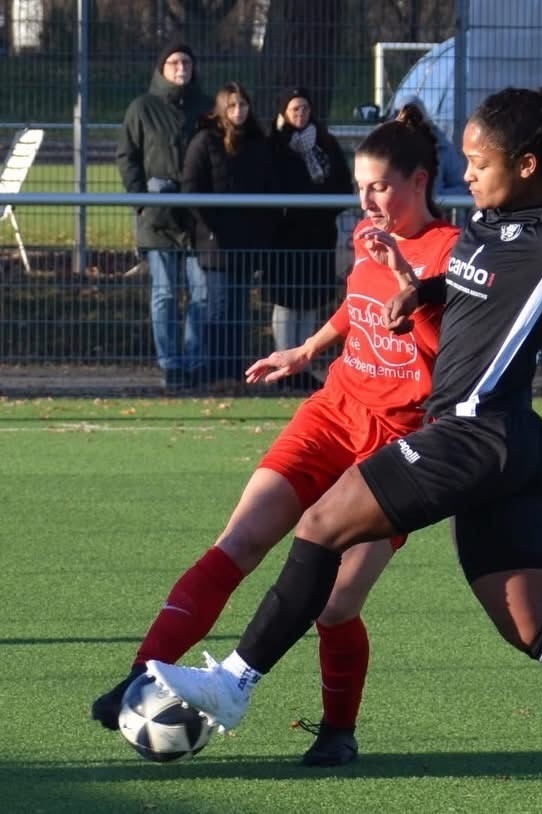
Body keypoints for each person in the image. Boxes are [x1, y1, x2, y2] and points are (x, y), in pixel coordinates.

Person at [146, 81, 542, 792]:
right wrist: (422, 291)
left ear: (527, 166)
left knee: (320, 524)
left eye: (480, 163)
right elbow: (472, 282)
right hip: (510, 448)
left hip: (477, 433)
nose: (466, 174)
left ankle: (234, 683)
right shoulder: (486, 223)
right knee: (528, 625)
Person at [91, 105, 460, 767]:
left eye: (380, 186)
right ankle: (141, 675)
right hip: (332, 413)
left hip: (395, 442)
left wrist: (412, 288)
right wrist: (308, 349)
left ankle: (338, 731)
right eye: (360, 187)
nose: (367, 201)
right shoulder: (368, 238)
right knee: (238, 542)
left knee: (337, 603)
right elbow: (358, 304)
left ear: (419, 181)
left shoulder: (451, 253)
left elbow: (449, 343)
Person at [116, 41, 213, 391]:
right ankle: (171, 363)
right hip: (158, 215)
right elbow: (127, 156)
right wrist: (142, 200)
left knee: (202, 293)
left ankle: (195, 361)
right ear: (162, 68)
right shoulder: (142, 108)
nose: (181, 68)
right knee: (165, 293)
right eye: (174, 62)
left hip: (197, 216)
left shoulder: (206, 108)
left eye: (186, 62)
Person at [182, 82, 275, 384]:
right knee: (218, 308)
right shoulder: (205, 141)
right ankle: (214, 370)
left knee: (239, 310)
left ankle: (235, 372)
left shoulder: (257, 142)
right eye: (232, 105)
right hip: (216, 243)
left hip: (247, 242)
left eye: (243, 105)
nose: (238, 111)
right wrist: (211, 226)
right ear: (222, 109)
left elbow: (266, 188)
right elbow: (191, 188)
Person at [268, 86, 354, 391]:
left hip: (320, 233)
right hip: (287, 236)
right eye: (295, 109)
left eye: (305, 108)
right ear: (284, 112)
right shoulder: (276, 145)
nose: (301, 114)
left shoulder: (325, 143)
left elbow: (343, 184)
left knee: (310, 299)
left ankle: (302, 364)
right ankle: (283, 364)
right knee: (286, 300)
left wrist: (323, 206)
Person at [391, 93, 468, 197]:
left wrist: (435, 197)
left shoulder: (443, 147)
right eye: (406, 117)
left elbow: (461, 188)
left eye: (415, 117)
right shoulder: (387, 149)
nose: (410, 122)